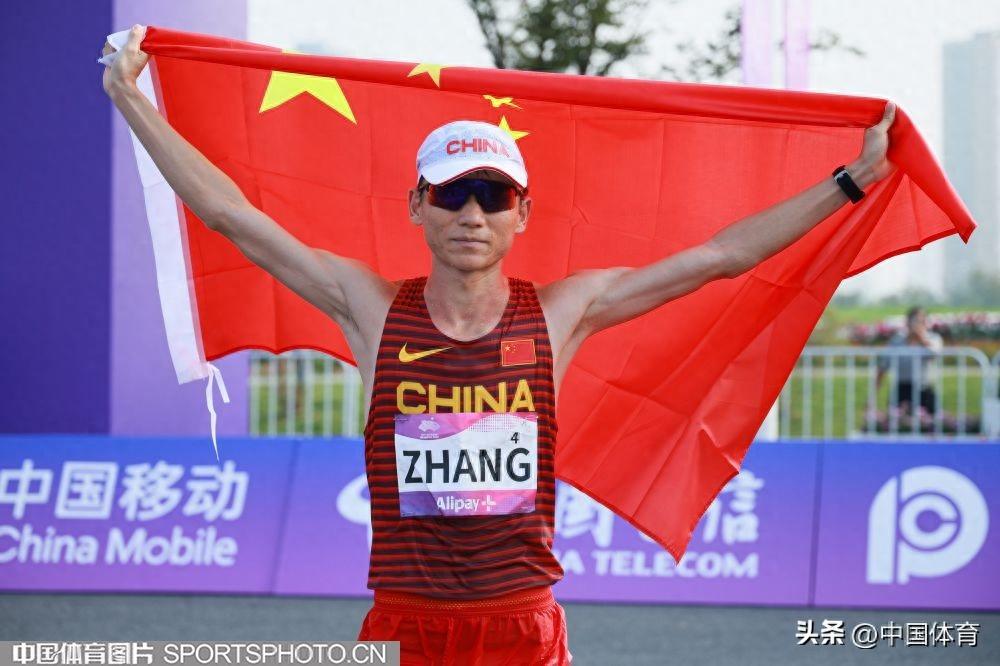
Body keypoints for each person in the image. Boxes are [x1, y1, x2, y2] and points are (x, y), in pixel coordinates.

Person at [103, 25, 896, 665]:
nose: (472, 214)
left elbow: (721, 256)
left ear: (522, 213)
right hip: (406, 628)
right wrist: (130, 99)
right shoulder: (370, 308)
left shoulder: (563, 312)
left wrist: (852, 181)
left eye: (492, 194)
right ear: (417, 205)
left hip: (522, 627)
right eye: (452, 193)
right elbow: (232, 216)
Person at [876, 306, 944, 417]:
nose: (918, 324)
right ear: (907, 322)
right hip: (901, 389)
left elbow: (934, 355)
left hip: (924, 389)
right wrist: (873, 396)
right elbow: (883, 367)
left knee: (932, 422)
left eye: (922, 321)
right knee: (895, 422)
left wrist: (921, 340)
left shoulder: (934, 338)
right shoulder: (896, 341)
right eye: (915, 321)